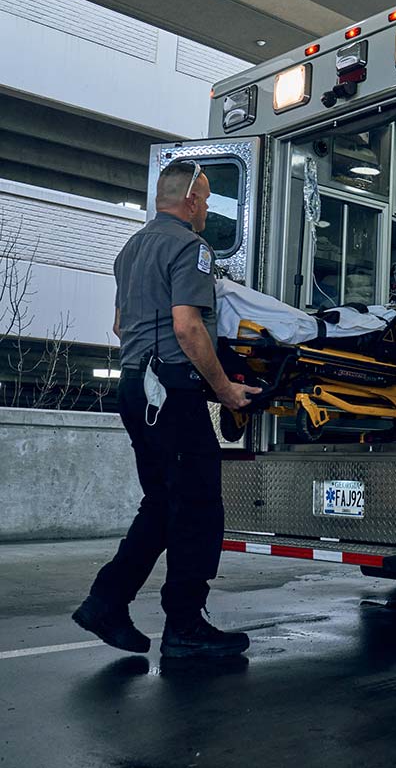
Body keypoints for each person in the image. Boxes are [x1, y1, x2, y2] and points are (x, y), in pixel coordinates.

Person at [72, 160, 261, 658]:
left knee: (161, 503)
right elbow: (187, 327)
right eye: (206, 200)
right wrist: (223, 389)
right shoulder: (190, 247)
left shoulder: (130, 250)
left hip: (135, 387)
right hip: (172, 392)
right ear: (193, 201)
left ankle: (105, 603)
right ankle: (184, 626)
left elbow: (118, 326)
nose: (206, 209)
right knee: (197, 504)